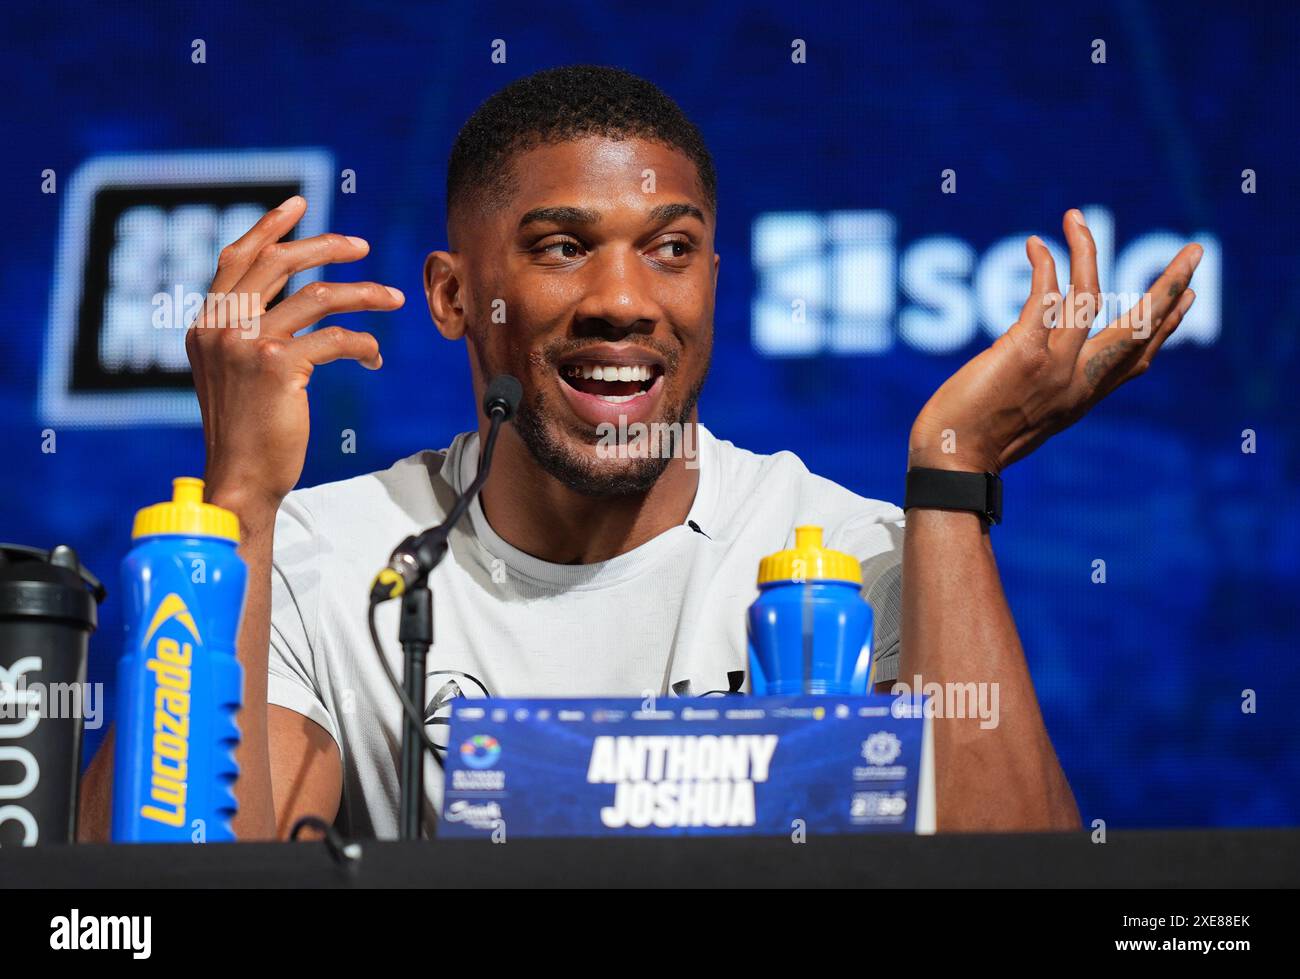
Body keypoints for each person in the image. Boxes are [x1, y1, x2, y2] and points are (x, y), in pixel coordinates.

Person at [80, 64, 1201, 841]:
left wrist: (952, 476)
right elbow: (156, 907)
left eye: (670, 250)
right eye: (562, 247)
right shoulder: (319, 555)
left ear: (713, 282)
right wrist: (238, 497)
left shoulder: (859, 557)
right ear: (455, 295)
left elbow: (1019, 896)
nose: (622, 301)